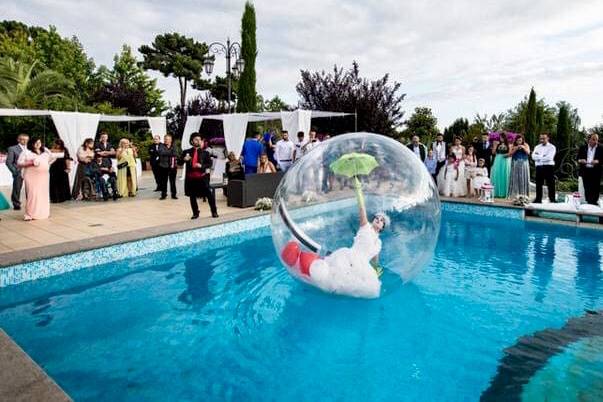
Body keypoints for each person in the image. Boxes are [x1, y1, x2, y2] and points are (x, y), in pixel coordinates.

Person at [284, 174, 387, 298]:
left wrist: (376, 269)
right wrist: (358, 191)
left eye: (381, 220)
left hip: (363, 267)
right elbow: (362, 210)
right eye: (377, 218)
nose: (378, 220)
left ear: (382, 228)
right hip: (349, 257)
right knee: (334, 276)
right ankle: (306, 268)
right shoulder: (366, 228)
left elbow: (375, 259)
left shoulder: (379, 244)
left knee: (362, 287)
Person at [17, 137, 57, 220]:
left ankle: (44, 213)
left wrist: (47, 154)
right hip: (31, 176)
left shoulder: (45, 153)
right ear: (31, 144)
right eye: (36, 142)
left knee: (43, 194)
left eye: (39, 142)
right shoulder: (26, 152)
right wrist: (31, 163)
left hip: (44, 177)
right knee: (33, 195)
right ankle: (30, 214)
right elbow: (19, 163)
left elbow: (52, 158)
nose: (38, 144)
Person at [181, 133, 218, 219]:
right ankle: (195, 213)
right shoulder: (186, 152)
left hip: (202, 177)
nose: (198, 141)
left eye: (199, 139)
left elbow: (209, 164)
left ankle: (214, 211)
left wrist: (201, 166)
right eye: (195, 139)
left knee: (209, 195)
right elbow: (179, 163)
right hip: (191, 178)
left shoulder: (205, 153)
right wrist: (184, 159)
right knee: (192, 196)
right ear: (191, 141)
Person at [577, 133, 602, 205]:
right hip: (585, 171)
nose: (596, 141)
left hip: (596, 171)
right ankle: (589, 202)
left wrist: (598, 161)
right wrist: (581, 160)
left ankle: (594, 203)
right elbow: (578, 159)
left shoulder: (601, 148)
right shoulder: (583, 147)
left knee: (595, 188)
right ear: (589, 140)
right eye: (594, 139)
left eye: (597, 140)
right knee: (587, 188)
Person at [6, 133, 29, 210]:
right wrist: (14, 171)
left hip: (30, 172)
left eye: (27, 140)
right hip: (18, 172)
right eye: (23, 139)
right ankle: (16, 204)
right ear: (18, 140)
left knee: (30, 188)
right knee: (17, 188)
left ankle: (30, 203)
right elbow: (8, 162)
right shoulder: (12, 148)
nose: (25, 141)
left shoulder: (30, 148)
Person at [532, 133, 557, 203]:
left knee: (551, 184)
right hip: (539, 167)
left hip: (548, 167)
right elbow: (533, 157)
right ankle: (538, 199)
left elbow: (549, 158)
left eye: (544, 138)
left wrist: (538, 157)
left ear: (548, 138)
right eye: (541, 139)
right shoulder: (537, 147)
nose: (542, 140)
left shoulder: (552, 147)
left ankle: (552, 199)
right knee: (538, 184)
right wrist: (543, 157)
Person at [508, 135, 531, 201]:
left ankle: (524, 195)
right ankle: (515, 194)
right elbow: (509, 154)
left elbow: (528, 153)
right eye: (518, 140)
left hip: (524, 164)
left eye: (520, 140)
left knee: (523, 178)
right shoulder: (512, 145)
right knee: (515, 178)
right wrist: (516, 148)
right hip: (515, 163)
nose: (519, 142)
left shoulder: (526, 144)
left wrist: (523, 147)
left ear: (522, 140)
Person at [49, 139, 72, 203]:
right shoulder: (51, 150)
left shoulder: (64, 150)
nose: (57, 145)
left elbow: (67, 158)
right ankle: (54, 198)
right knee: (53, 183)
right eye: (56, 144)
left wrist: (68, 168)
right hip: (53, 168)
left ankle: (63, 197)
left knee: (62, 183)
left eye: (59, 144)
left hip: (62, 167)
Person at [490, 132, 511, 198]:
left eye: (502, 137)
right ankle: (496, 192)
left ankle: (504, 193)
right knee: (497, 174)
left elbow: (510, 153)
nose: (501, 138)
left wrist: (506, 155)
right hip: (498, 159)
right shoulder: (497, 143)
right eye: (500, 137)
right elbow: (493, 152)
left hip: (505, 160)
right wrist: (495, 145)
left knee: (504, 174)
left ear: (505, 138)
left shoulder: (509, 145)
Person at [158, 134, 178, 200]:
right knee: (164, 181)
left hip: (173, 166)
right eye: (165, 139)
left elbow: (175, 154)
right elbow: (161, 153)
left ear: (171, 140)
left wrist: (167, 152)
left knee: (173, 181)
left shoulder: (174, 146)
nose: (166, 140)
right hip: (163, 166)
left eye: (168, 139)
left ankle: (174, 194)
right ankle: (163, 195)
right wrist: (170, 152)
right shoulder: (161, 145)